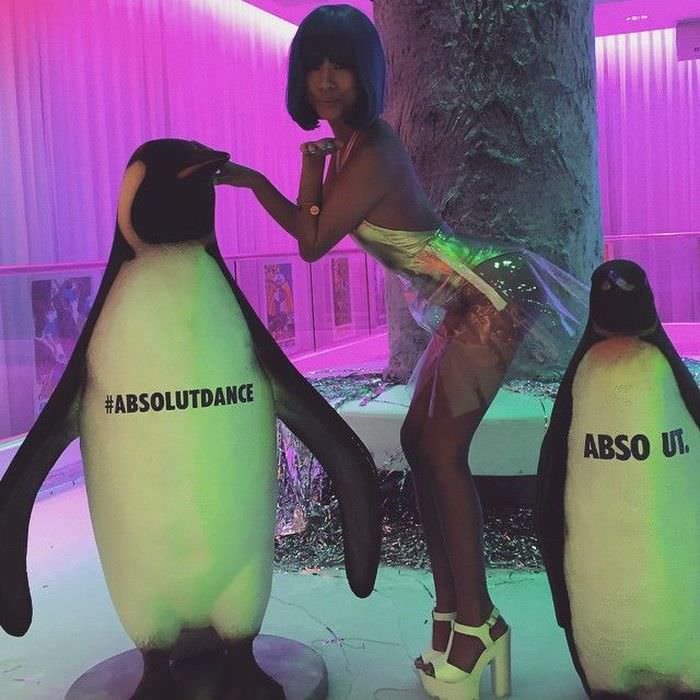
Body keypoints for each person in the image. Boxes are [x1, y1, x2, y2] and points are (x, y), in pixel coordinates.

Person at [215, 5, 587, 698]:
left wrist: (256, 182)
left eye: (342, 66)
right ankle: (454, 617)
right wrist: (307, 166)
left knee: (440, 453)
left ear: (366, 75)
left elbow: (311, 241)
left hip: (490, 292)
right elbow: (315, 221)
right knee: (421, 445)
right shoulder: (349, 149)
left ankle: (477, 625)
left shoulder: (374, 150)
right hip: (468, 297)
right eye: (316, 67)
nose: (328, 80)